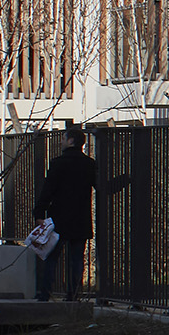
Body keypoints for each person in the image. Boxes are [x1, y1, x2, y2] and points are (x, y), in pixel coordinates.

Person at [33, 125, 98, 302]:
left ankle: (45, 293)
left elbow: (48, 190)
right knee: (76, 259)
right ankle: (73, 294)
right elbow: (100, 186)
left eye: (63, 138)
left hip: (59, 217)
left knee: (51, 256)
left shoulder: (57, 163)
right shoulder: (90, 164)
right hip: (81, 217)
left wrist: (39, 212)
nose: (61, 141)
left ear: (70, 141)